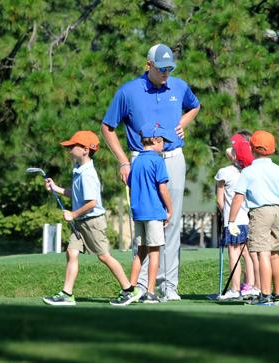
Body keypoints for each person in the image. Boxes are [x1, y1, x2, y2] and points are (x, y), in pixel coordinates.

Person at [101, 43, 200, 301]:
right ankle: (142, 286)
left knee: (171, 220)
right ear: (149, 65)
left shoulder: (178, 86)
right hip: (141, 160)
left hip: (173, 158)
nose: (166, 72)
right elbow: (107, 126)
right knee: (144, 222)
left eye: (170, 68)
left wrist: (182, 124)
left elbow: (195, 106)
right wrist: (123, 161)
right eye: (161, 68)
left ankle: (169, 286)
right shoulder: (129, 91)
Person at [42, 131, 134, 306]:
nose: (69, 150)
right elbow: (77, 196)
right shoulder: (78, 170)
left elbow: (92, 203)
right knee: (71, 252)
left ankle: (128, 289)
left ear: (85, 150)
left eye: (72, 147)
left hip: (92, 222)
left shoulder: (88, 174)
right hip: (81, 221)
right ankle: (67, 294)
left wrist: (73, 214)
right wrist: (57, 189)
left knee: (104, 256)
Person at [228, 131, 279, 306]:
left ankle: (265, 296)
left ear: (251, 148)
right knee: (275, 254)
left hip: (260, 212)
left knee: (263, 253)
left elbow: (238, 197)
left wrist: (231, 221)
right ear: (272, 150)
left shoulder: (249, 171)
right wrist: (276, 199)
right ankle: (277, 295)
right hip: (278, 211)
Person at [112, 123, 174, 305]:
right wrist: (169, 210)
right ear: (156, 140)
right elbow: (163, 189)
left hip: (138, 213)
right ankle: (150, 292)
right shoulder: (157, 160)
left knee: (140, 252)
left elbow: (130, 185)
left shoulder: (136, 160)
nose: (164, 145)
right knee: (154, 252)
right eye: (163, 141)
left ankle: (130, 288)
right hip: (154, 211)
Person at [214, 133, 258, 300]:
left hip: (232, 220)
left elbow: (219, 200)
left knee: (233, 253)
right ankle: (251, 287)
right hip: (246, 220)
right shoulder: (249, 173)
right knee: (246, 254)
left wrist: (224, 213)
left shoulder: (224, 172)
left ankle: (234, 289)